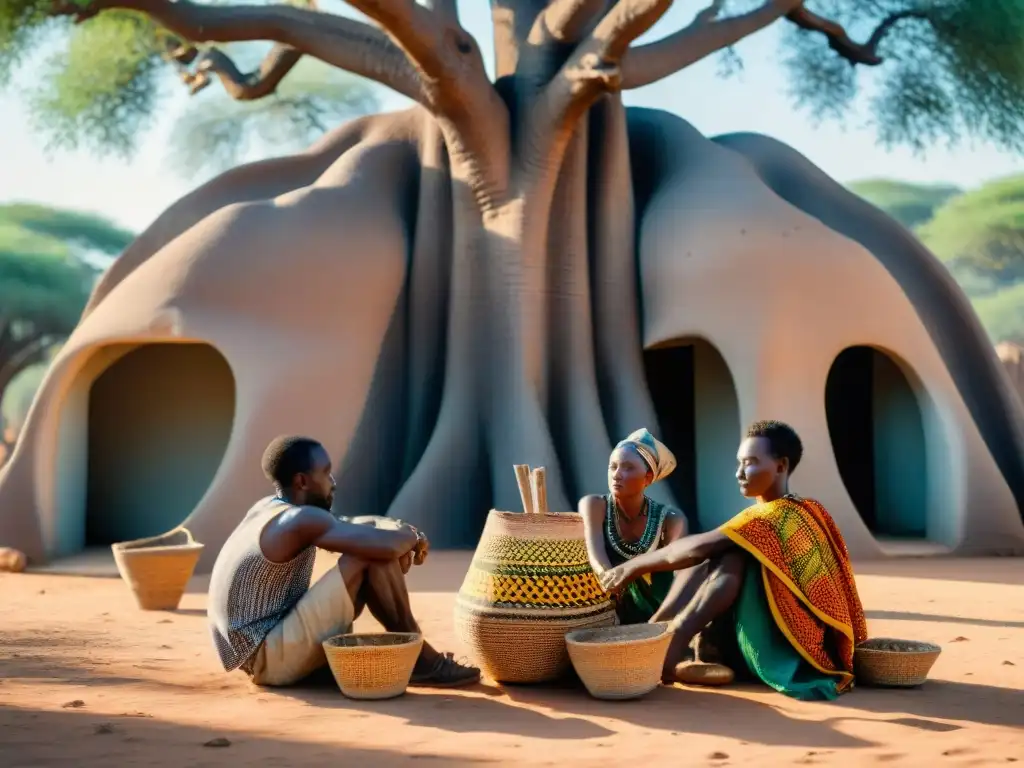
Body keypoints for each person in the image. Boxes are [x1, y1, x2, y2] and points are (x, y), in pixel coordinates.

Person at [598, 421, 869, 701]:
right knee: (725, 551)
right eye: (739, 463)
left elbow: (696, 547)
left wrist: (633, 565)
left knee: (729, 555)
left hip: (797, 648)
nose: (739, 473)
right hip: (802, 640)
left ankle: (670, 641)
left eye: (750, 463)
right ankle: (661, 632)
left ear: (780, 466)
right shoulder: (804, 508)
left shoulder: (772, 516)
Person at [208, 435, 481, 688]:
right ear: (302, 481)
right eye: (326, 473)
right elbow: (382, 545)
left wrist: (401, 533)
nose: (334, 482)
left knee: (370, 547)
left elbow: (348, 523)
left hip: (262, 653)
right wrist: (412, 536)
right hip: (269, 659)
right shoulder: (301, 520)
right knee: (368, 555)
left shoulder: (270, 508)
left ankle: (415, 656)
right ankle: (422, 662)